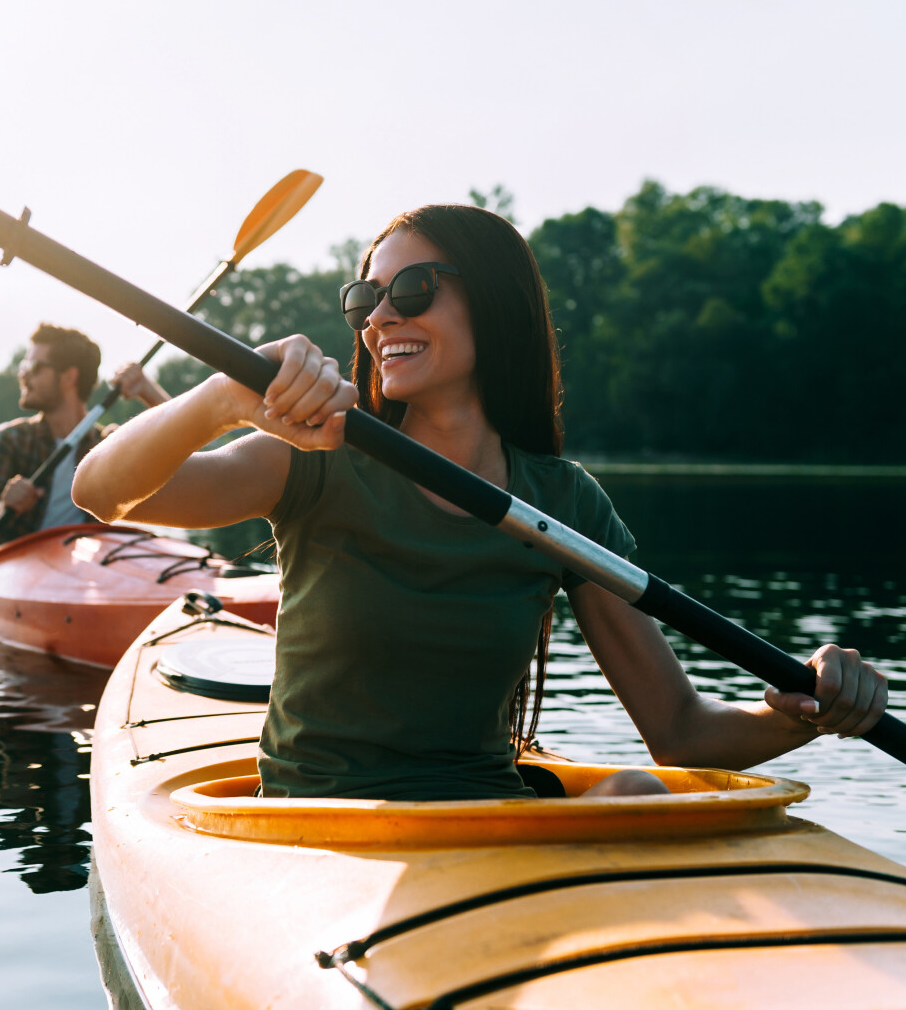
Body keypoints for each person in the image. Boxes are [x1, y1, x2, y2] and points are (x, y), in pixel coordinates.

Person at [72, 205, 890, 802]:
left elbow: (679, 731)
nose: (379, 317)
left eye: (412, 289)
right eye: (364, 300)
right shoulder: (314, 457)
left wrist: (807, 709)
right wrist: (222, 397)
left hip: (486, 817)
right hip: (321, 825)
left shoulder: (562, 503)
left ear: (494, 302)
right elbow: (100, 491)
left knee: (636, 790)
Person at [0, 323, 169, 546]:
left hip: (85, 560)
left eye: (34, 367)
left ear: (68, 377)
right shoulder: (9, 439)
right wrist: (4, 507)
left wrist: (146, 389)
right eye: (23, 365)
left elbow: (182, 447)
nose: (23, 375)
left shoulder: (107, 446)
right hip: (16, 558)